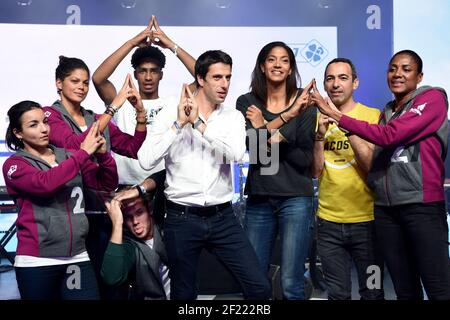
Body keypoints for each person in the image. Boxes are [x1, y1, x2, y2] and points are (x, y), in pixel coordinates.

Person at [311, 50, 450, 300]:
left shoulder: (433, 98)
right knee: (403, 287)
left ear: (420, 76)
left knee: (436, 285)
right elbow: (317, 171)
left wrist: (339, 118)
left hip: (420, 207)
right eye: (393, 68)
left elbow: (388, 139)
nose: (398, 74)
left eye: (406, 69)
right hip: (385, 211)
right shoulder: (387, 112)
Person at [137, 50, 271, 300]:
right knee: (183, 294)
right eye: (217, 77)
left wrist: (198, 125)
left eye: (228, 77)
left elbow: (234, 154)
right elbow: (146, 160)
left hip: (223, 217)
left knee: (259, 287)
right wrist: (178, 125)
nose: (225, 84)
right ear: (200, 78)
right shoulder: (169, 112)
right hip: (181, 218)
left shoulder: (232, 117)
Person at [42, 56, 147, 298]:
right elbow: (75, 144)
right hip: (70, 214)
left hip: (101, 211)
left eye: (86, 83)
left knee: (110, 281)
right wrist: (114, 106)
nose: (82, 87)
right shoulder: (49, 115)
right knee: (79, 288)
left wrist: (140, 113)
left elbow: (131, 147)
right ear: (59, 83)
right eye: (74, 81)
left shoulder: (95, 118)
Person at [2, 101, 118, 299]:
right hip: (37, 261)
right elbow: (45, 183)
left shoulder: (69, 157)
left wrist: (104, 156)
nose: (44, 128)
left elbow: (105, 183)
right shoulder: (15, 165)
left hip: (77, 257)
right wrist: (83, 154)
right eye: (33, 125)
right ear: (18, 133)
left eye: (45, 122)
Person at [92, 16, 196, 226]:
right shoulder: (121, 100)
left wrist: (171, 45)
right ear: (136, 74)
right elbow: (98, 78)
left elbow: (203, 78)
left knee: (163, 254)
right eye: (143, 71)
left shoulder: (174, 103)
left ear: (161, 75)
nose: (148, 77)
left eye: (153, 71)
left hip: (163, 189)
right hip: (125, 189)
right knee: (128, 254)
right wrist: (132, 43)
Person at [236, 41, 316, 300]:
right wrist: (283, 127)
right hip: (260, 197)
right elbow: (254, 151)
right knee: (255, 280)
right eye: (271, 59)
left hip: (296, 198)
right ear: (262, 65)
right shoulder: (247, 101)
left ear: (291, 67)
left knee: (292, 281)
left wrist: (265, 130)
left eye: (284, 60)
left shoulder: (305, 101)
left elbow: (304, 159)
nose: (278, 65)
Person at [311, 58, 384, 300]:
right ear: (324, 84)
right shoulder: (315, 120)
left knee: (372, 292)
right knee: (338, 295)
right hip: (329, 224)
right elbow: (315, 172)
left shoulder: (373, 117)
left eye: (343, 78)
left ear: (355, 83)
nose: (335, 84)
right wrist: (319, 137)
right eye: (330, 78)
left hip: (368, 223)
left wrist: (345, 124)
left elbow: (371, 166)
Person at [101, 193, 170, 300]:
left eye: (139, 212)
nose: (135, 222)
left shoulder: (167, 231)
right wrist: (117, 223)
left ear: (149, 209)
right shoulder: (130, 246)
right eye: (128, 217)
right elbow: (111, 278)